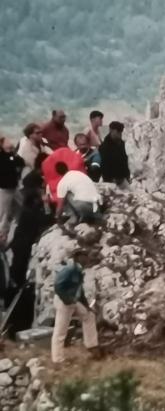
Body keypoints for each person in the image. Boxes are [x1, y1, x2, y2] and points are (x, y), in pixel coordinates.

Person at [4, 172, 52, 338]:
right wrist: (46, 205)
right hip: (23, 250)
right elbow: (46, 221)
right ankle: (16, 326)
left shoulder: (27, 206)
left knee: (17, 282)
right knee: (20, 285)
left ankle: (14, 324)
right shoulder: (32, 208)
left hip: (19, 248)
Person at [51, 250, 100, 363]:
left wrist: (86, 306)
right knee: (61, 330)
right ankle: (57, 359)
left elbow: (79, 290)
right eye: (85, 256)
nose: (88, 258)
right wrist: (67, 300)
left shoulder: (78, 270)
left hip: (73, 300)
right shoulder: (69, 269)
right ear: (78, 257)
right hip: (64, 302)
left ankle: (92, 346)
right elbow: (58, 286)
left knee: (89, 315)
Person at [0, 137, 24, 245]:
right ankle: (2, 237)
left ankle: (21, 229)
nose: (9, 143)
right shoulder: (3, 157)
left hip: (14, 187)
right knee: (4, 214)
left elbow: (21, 162)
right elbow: (8, 167)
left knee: (22, 207)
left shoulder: (10, 155)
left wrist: (13, 153)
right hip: (5, 189)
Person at [99, 121, 130, 186]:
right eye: (118, 131)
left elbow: (126, 161)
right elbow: (104, 165)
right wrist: (109, 180)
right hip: (111, 180)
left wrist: (127, 176)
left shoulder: (122, 144)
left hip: (123, 179)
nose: (120, 133)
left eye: (121, 131)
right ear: (111, 130)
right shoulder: (104, 147)